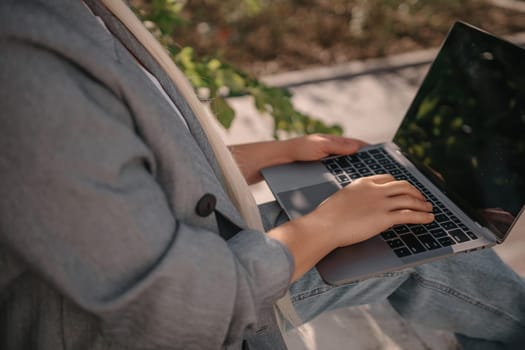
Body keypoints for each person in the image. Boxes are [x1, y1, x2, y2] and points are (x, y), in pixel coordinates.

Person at [0, 0, 524, 349]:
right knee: (421, 243)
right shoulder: (28, 57)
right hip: (145, 319)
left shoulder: (62, 17)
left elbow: (127, 165)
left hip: (185, 250)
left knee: (410, 219)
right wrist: (327, 226)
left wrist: (276, 153)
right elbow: (177, 307)